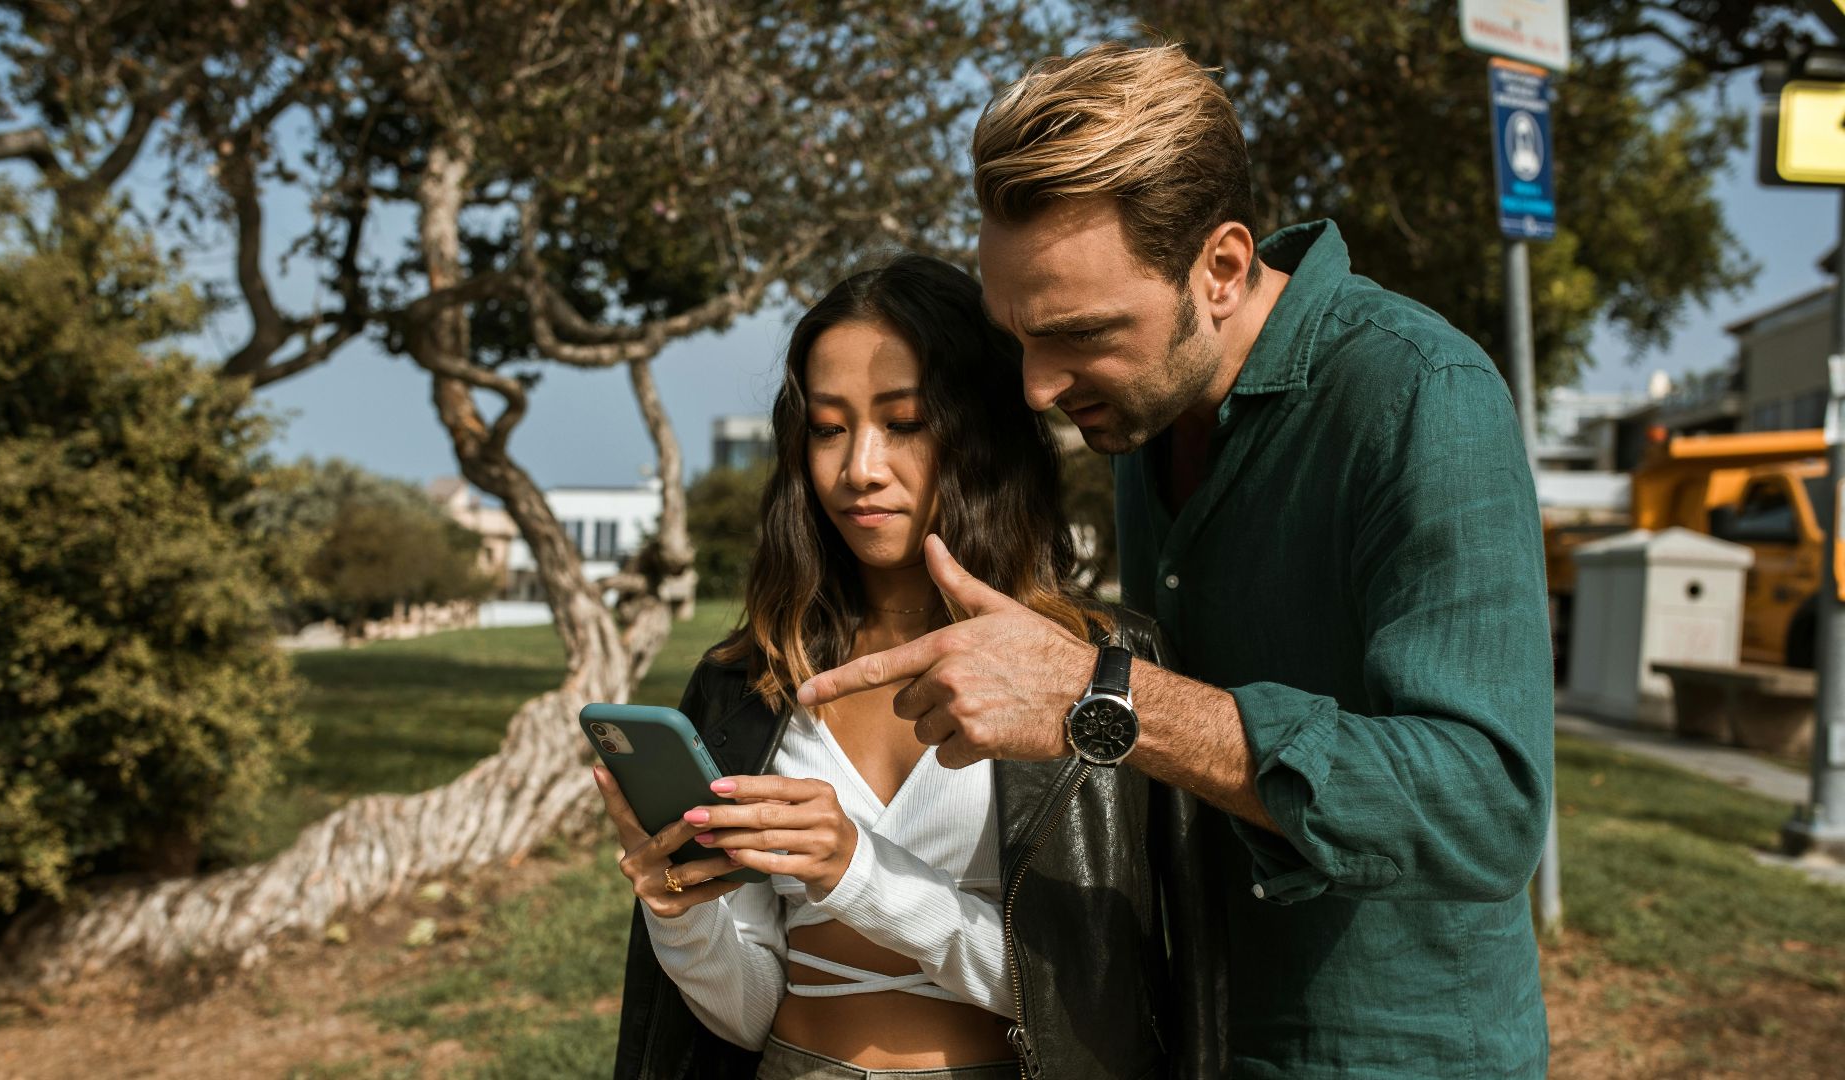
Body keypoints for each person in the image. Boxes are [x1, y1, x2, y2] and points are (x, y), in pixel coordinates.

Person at [796, 43, 1556, 1079]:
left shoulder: (1421, 397)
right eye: (1016, 333)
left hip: (1381, 1049)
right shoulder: (1141, 413)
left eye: (1079, 334)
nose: (1036, 388)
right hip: (1188, 1027)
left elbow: (1490, 806)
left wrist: (1099, 696)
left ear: (1223, 269)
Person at [604, 254, 1194, 1080]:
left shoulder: (1097, 670)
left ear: (979, 432)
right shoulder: (753, 677)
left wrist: (860, 874)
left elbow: (1100, 1003)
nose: (859, 470)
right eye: (829, 427)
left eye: (906, 421)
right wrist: (680, 911)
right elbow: (743, 1013)